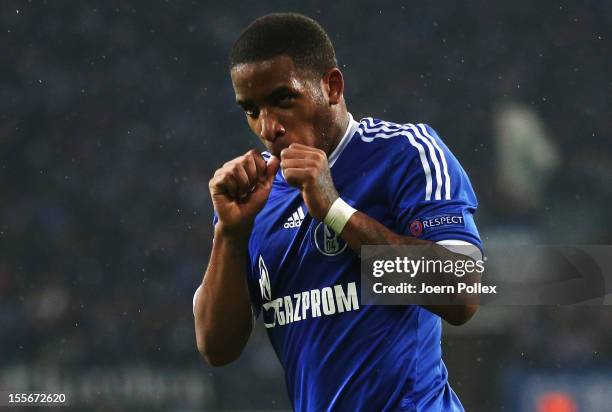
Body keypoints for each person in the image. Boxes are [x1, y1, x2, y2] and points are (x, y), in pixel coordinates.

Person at [194, 12, 482, 411]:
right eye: (251, 109)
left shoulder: (404, 153)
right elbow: (216, 347)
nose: (268, 127)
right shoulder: (252, 197)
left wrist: (335, 210)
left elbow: (461, 294)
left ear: (331, 86)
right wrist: (229, 233)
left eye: (282, 100)